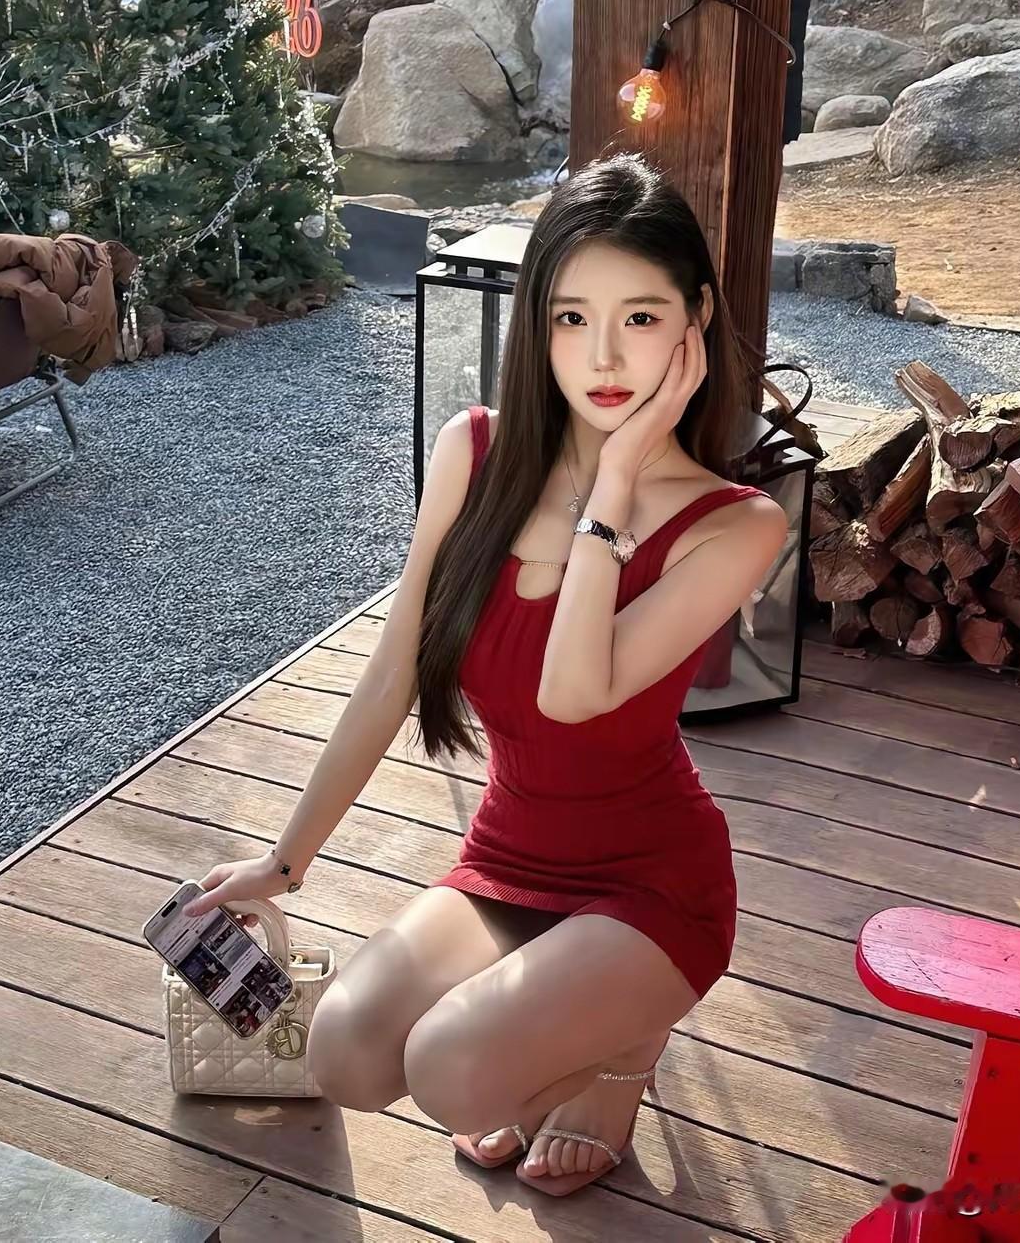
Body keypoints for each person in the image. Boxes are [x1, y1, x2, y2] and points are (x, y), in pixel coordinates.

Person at [185, 152, 787, 1198]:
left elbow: (570, 694)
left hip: (650, 885)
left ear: (694, 321)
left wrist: (614, 478)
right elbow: (391, 672)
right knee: (347, 1053)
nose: (603, 356)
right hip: (512, 853)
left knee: (453, 1072)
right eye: (570, 318)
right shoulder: (474, 451)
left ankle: (623, 1051)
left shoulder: (734, 524)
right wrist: (284, 862)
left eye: (641, 318)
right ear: (534, 325)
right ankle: (553, 1018)